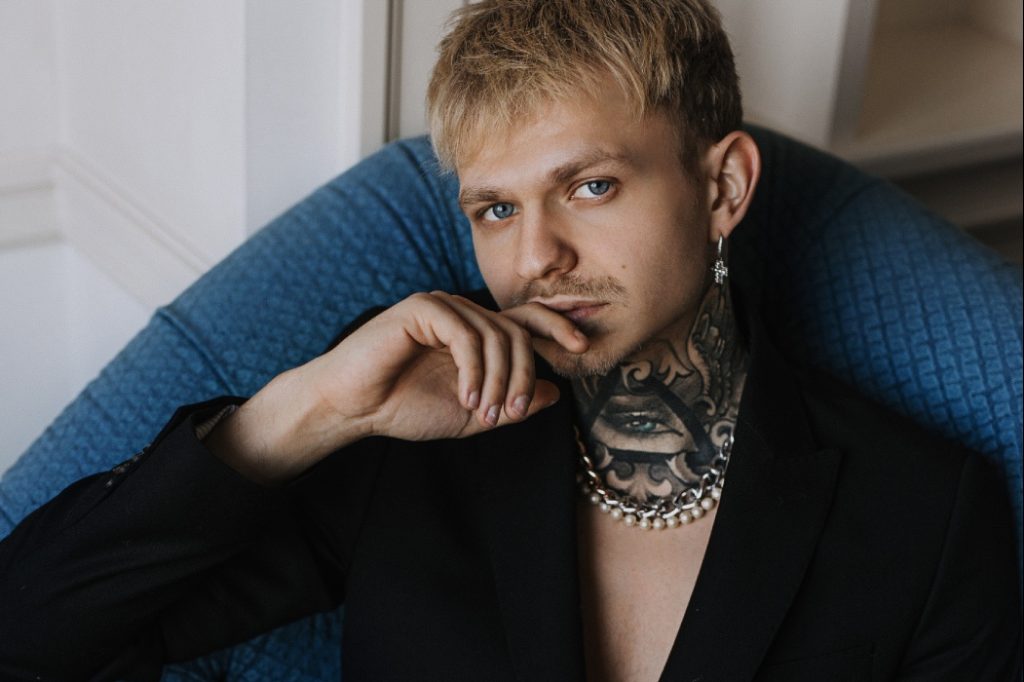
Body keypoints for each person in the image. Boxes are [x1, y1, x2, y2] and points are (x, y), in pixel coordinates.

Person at [0, 1, 1020, 680]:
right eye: (494, 209)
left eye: (590, 186)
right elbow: (30, 633)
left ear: (723, 186)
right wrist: (306, 411)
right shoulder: (410, 434)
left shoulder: (921, 516)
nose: (536, 257)